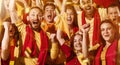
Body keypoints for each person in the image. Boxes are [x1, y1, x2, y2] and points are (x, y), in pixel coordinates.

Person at [9, 0, 49, 65]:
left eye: (38, 15)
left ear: (42, 19)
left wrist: (55, 42)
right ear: (27, 18)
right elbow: (12, 10)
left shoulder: (47, 36)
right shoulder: (21, 28)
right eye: (33, 15)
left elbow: (52, 58)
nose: (35, 17)